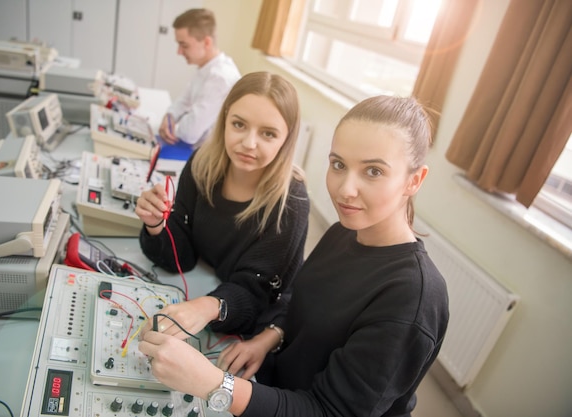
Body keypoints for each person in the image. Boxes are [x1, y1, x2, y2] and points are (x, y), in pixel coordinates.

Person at [138, 95, 450, 417]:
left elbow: (328, 412)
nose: (345, 190)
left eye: (373, 171)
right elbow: (298, 300)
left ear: (414, 180)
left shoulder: (412, 298)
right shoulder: (346, 231)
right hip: (273, 386)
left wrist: (216, 384)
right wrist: (269, 338)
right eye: (338, 165)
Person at [135, 71, 310, 340]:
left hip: (254, 327)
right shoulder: (201, 165)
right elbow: (181, 256)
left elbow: (258, 294)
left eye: (268, 133)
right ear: (225, 120)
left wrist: (208, 306)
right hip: (206, 290)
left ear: (286, 139)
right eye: (239, 124)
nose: (249, 143)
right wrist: (156, 224)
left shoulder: (291, 203)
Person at [158, 8, 241, 150]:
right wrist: (170, 115)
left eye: (184, 45)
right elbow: (184, 100)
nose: (179, 52)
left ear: (207, 42)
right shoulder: (206, 68)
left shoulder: (220, 78)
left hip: (206, 157)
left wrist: (172, 127)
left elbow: (190, 132)